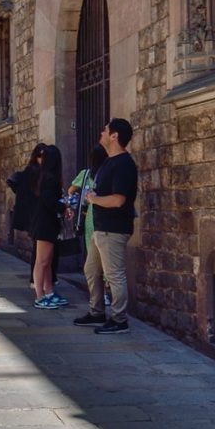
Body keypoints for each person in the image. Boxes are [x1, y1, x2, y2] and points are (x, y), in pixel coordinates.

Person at [74, 118, 138, 335]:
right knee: (91, 270)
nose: (101, 132)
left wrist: (93, 199)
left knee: (114, 275)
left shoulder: (124, 164)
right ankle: (97, 311)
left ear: (114, 136)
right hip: (102, 229)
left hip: (113, 228)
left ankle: (119, 319)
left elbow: (119, 200)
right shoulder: (109, 163)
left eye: (105, 130)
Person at [30, 144, 66, 307]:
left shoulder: (47, 177)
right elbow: (49, 201)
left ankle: (49, 291)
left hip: (47, 222)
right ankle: (39, 295)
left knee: (48, 260)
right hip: (45, 223)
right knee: (42, 261)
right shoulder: (49, 179)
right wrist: (64, 207)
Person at [68, 145, 107, 265]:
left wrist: (72, 205)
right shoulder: (108, 173)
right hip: (106, 216)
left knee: (92, 252)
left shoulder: (85, 174)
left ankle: (96, 278)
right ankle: (106, 280)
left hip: (90, 217)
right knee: (106, 255)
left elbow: (71, 190)